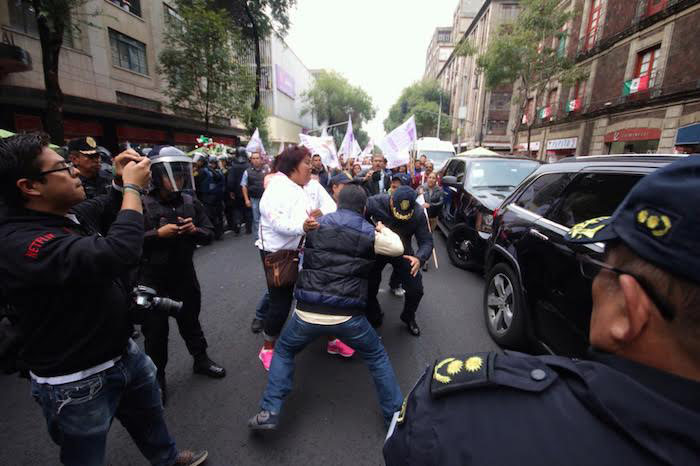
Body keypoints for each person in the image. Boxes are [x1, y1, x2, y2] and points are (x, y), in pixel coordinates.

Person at [384, 156, 700, 465]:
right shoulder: (377, 206)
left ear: (631, 311)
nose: (592, 282)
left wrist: (418, 256)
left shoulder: (454, 417)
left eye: (598, 266)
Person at [0, 133, 207, 466]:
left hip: (121, 353)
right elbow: (120, 252)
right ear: (30, 187)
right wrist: (132, 189)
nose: (77, 172)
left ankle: (167, 459)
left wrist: (116, 186)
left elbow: (100, 208)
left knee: (149, 417)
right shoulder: (23, 242)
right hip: (76, 381)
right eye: (64, 168)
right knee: (85, 454)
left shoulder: (62, 215)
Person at [248, 185, 404, 431]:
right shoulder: (368, 231)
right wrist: (382, 228)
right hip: (348, 316)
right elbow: (397, 248)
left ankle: (270, 410)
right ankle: (394, 415)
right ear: (364, 208)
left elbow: (284, 236)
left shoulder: (314, 225)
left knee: (285, 350)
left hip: (307, 311)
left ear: (337, 202)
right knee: (376, 356)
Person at [139, 146, 226, 404]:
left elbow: (210, 233)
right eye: (170, 175)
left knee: (191, 321)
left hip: (184, 275)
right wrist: (158, 234)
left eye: (180, 175)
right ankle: (158, 378)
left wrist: (194, 230)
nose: (177, 180)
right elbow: (125, 241)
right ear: (155, 175)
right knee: (155, 333)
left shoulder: (190, 202)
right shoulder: (141, 203)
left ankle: (201, 360)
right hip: (151, 280)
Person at [255, 146, 321, 370]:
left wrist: (312, 217)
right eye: (306, 162)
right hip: (277, 254)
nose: (311, 166)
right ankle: (268, 347)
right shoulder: (277, 188)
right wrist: (302, 226)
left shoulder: (296, 187)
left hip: (296, 252)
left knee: (304, 297)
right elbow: (277, 221)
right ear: (293, 166)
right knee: (280, 304)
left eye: (311, 162)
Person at [366, 186, 434, 336]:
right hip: (377, 248)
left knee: (416, 289)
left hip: (403, 251)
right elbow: (358, 220)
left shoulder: (418, 213)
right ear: (391, 199)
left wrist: (419, 258)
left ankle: (408, 316)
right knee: (369, 284)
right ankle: (373, 312)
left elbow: (426, 241)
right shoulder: (373, 203)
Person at [226, 147, 252, 235]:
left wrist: (231, 191)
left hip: (237, 192)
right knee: (248, 210)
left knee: (237, 209)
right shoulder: (249, 165)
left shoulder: (233, 166)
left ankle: (237, 223)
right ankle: (248, 228)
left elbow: (230, 180)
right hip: (247, 191)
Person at [241, 151, 265, 240]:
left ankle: (266, 236)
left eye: (257, 158)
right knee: (256, 219)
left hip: (265, 198)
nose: (255, 160)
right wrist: (246, 199)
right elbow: (244, 186)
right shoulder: (247, 172)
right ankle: (258, 238)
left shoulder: (266, 170)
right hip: (254, 198)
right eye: (253, 158)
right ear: (251, 160)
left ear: (261, 159)